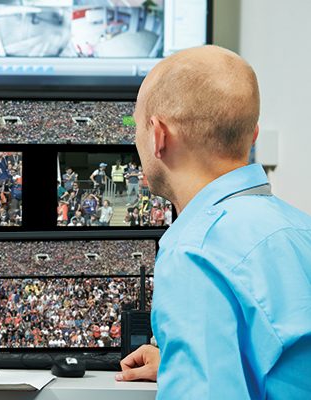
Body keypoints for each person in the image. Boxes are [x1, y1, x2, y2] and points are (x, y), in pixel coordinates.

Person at [116, 45, 311, 399]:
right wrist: (182, 361)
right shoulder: (300, 229)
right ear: (252, 136)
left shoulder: (196, 251)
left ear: (159, 136)